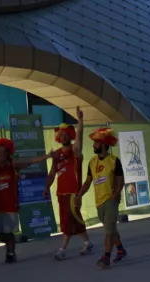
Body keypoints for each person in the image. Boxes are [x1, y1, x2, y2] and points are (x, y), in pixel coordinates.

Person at [42, 108, 94, 260]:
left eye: (66, 134)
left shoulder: (75, 151)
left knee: (68, 220)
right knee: (74, 219)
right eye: (61, 134)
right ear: (58, 137)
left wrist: (80, 121)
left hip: (74, 192)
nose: (63, 136)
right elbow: (52, 173)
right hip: (61, 193)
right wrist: (46, 187)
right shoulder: (57, 154)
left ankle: (62, 249)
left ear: (70, 136)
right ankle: (87, 242)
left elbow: (80, 141)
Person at [79, 127, 127, 268]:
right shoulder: (92, 162)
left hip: (110, 201)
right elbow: (88, 182)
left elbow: (120, 180)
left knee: (108, 231)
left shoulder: (113, 161)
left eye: (96, 143)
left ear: (104, 144)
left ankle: (106, 256)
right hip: (98, 202)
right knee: (111, 229)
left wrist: (115, 195)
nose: (93, 145)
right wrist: (79, 195)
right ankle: (120, 250)